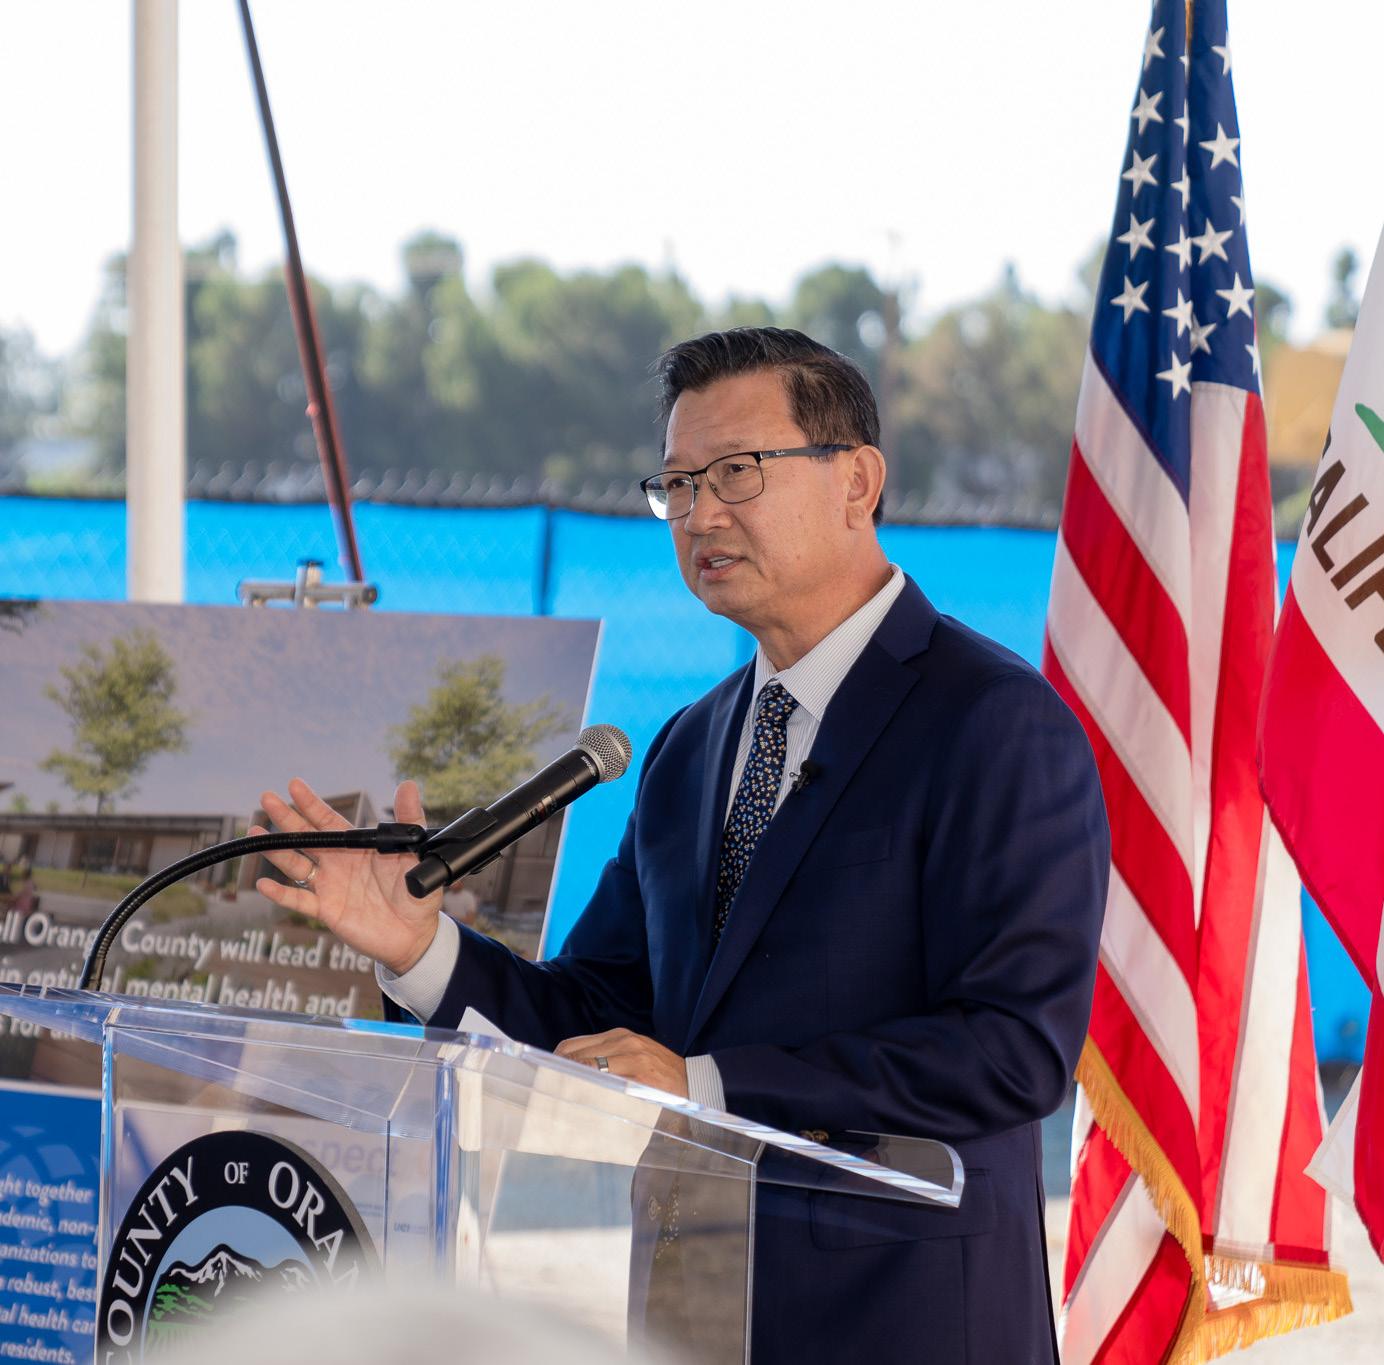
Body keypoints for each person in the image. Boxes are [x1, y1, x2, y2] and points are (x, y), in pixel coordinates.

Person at [255, 328, 1109, 1364]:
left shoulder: (992, 723)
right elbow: (602, 1019)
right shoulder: (690, 747)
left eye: (736, 472)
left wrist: (707, 1086)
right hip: (690, 1312)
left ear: (857, 481)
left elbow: (1014, 1051)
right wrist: (419, 949)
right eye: (677, 484)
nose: (700, 513)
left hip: (903, 1322)